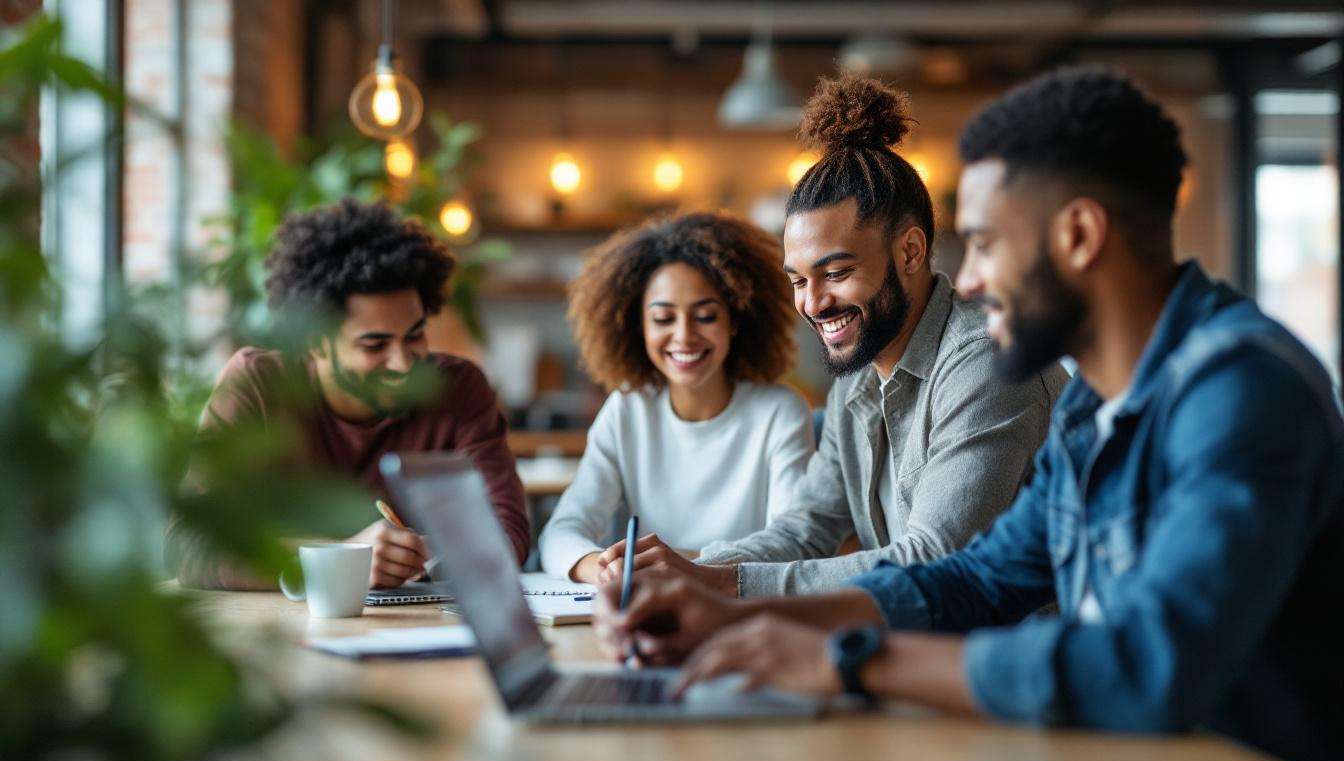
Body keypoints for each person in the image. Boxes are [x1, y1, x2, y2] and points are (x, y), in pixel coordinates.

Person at [592, 69, 1344, 761]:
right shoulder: (1094, 402)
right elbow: (977, 579)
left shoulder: (1242, 393)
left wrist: (847, 658)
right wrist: (728, 615)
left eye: (985, 243)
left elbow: (1146, 667)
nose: (973, 277)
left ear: (1078, 236)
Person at [591, 75, 1066, 597]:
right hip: (921, 649)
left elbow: (933, 559)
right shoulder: (858, 376)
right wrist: (684, 571)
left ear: (910, 252)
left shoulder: (987, 363)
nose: (811, 304)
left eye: (835, 274)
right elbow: (806, 528)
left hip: (1015, 663)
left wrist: (723, 582)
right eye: (798, 280)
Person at [168, 199, 528, 590]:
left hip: (416, 633)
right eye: (375, 346)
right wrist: (341, 560)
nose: (404, 365)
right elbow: (189, 547)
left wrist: (428, 556)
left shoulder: (458, 389)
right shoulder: (258, 386)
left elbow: (508, 534)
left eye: (415, 336)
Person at [537, 211, 814, 584]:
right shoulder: (628, 409)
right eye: (664, 319)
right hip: (652, 604)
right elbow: (559, 535)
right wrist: (608, 569)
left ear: (735, 321)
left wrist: (682, 567)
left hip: (738, 608)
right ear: (639, 327)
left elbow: (791, 545)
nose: (684, 336)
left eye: (705, 316)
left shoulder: (780, 412)